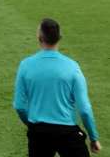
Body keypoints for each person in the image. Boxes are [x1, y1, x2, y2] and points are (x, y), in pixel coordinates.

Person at [14, 18, 102, 157]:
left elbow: (19, 106)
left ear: (39, 37)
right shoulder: (72, 67)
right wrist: (93, 138)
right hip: (67, 132)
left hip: (39, 133)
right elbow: (84, 109)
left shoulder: (25, 65)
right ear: (59, 38)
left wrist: (32, 126)